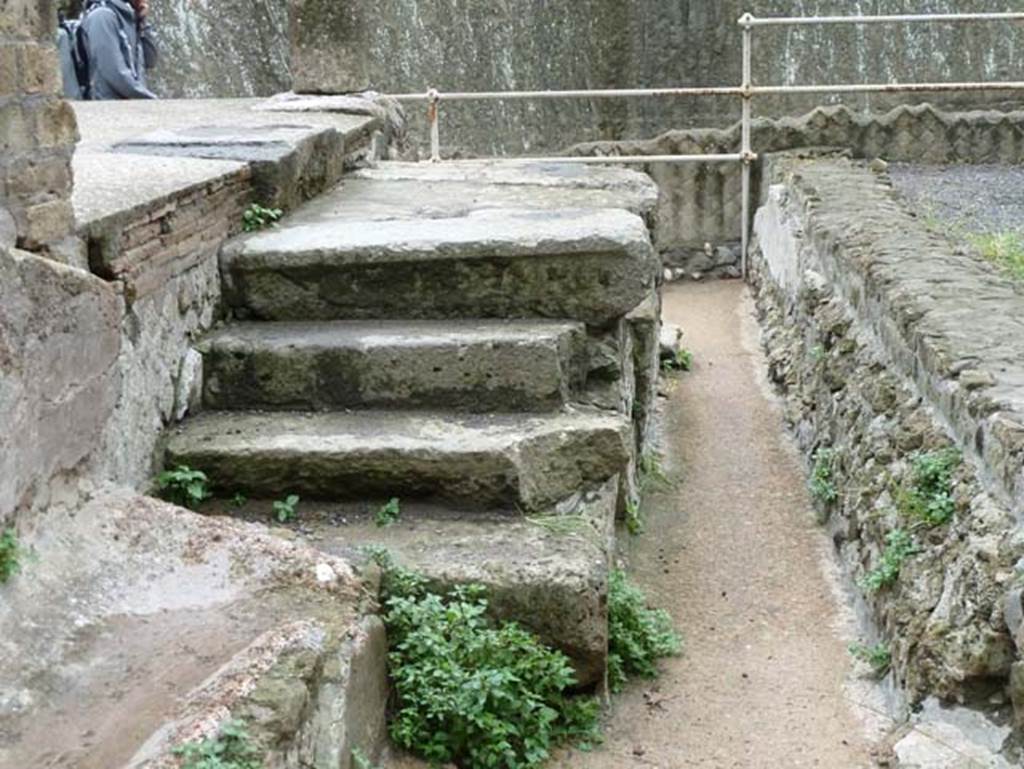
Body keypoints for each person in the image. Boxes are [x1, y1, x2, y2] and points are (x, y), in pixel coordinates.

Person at [80, 0, 158, 99]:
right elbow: (115, 73)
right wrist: (151, 100)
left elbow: (150, 60)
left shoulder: (130, 17)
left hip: (129, 106)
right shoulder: (102, 17)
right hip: (107, 107)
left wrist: (142, 23)